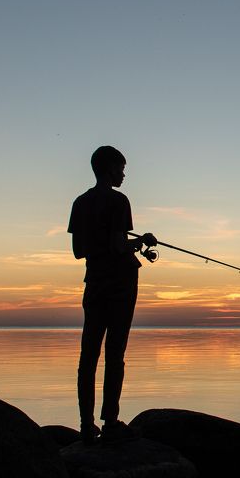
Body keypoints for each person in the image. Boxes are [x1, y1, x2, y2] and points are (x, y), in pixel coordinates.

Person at [68, 145, 156, 443]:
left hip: (94, 282)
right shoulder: (119, 201)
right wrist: (140, 241)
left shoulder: (80, 203)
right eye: (121, 169)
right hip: (121, 282)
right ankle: (110, 422)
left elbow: (78, 251)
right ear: (108, 169)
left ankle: (85, 424)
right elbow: (119, 246)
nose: (123, 175)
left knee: (88, 355)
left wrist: (109, 243)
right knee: (115, 353)